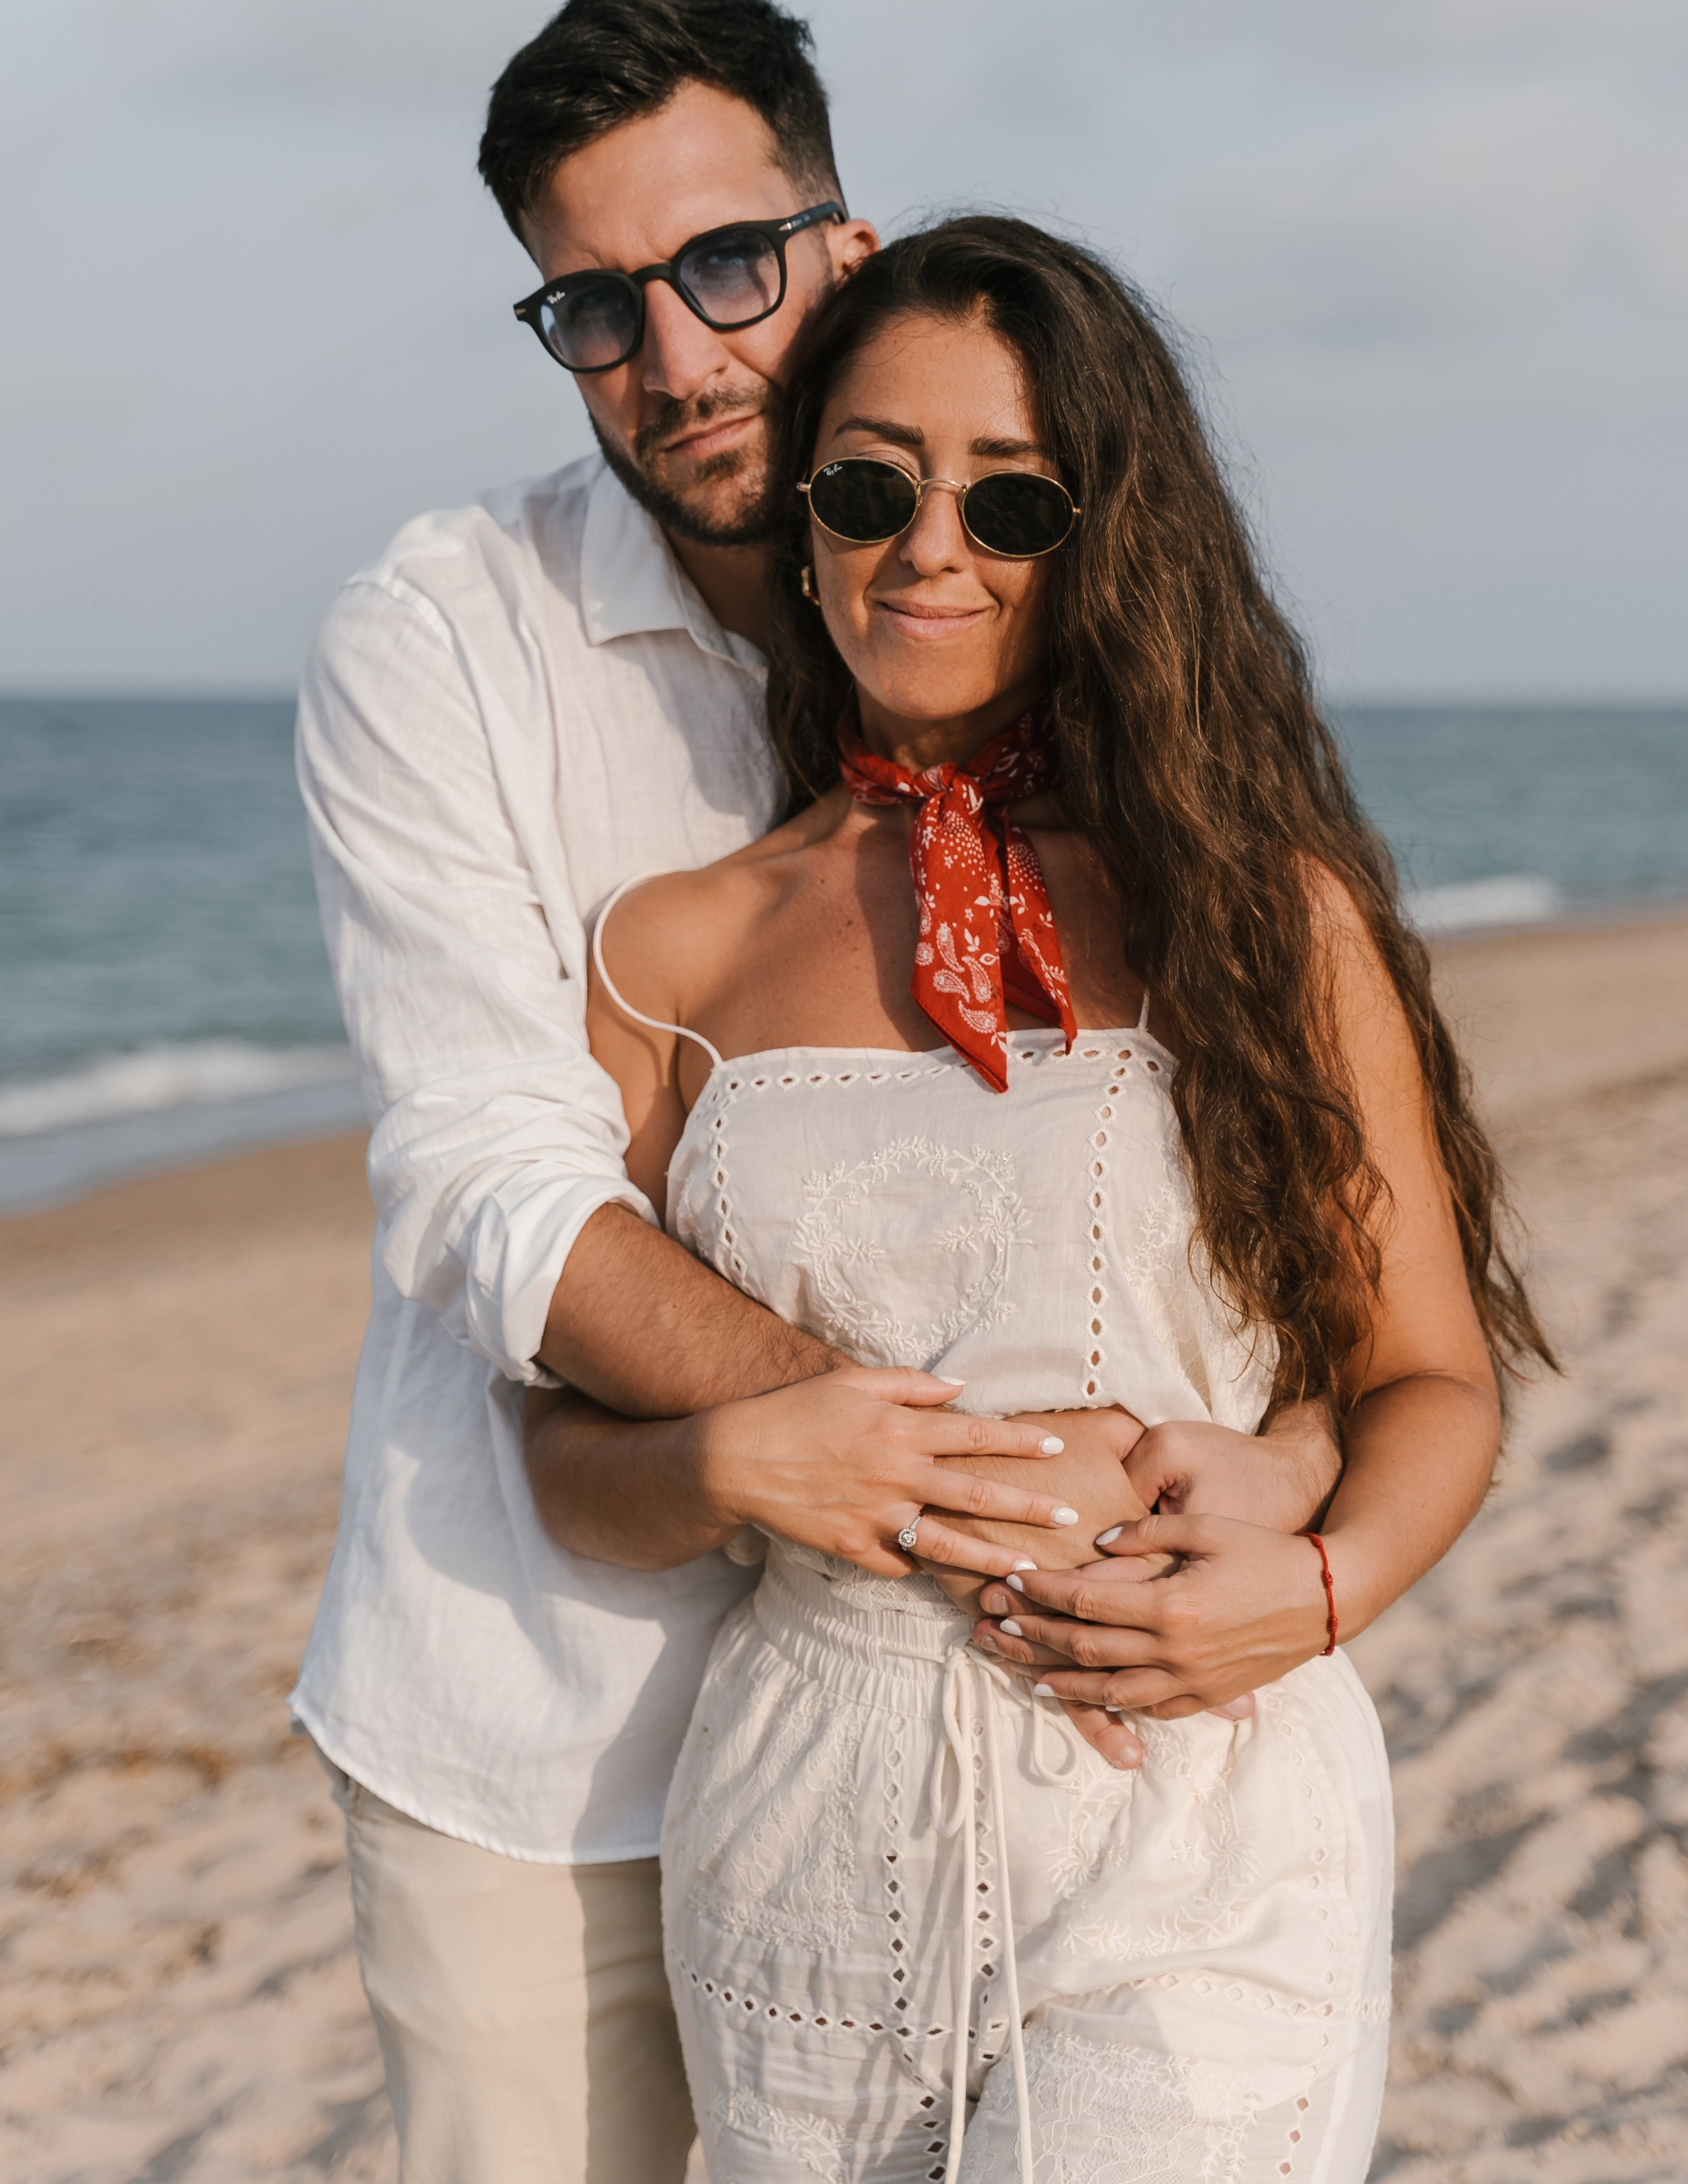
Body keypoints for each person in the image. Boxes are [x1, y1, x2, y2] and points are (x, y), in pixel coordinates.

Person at [521, 216, 1550, 2181]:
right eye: (871, 484)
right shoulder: (665, 954)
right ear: (801, 516)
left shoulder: (1265, 916)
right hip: (805, 1817)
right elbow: (564, 1450)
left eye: (1010, 495)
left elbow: (1430, 1377)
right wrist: (737, 1461)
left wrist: (1321, 1590)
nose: (932, 547)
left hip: (1196, 1797)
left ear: (1104, 531)